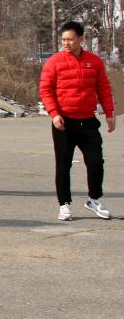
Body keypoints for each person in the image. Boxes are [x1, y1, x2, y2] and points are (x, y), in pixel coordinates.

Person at [39, 21, 116, 221]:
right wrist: (54, 113)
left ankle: (94, 199)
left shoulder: (94, 61)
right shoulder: (54, 62)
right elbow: (45, 90)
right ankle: (64, 204)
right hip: (64, 122)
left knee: (96, 161)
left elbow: (103, 88)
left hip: (88, 120)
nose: (66, 43)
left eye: (70, 39)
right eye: (63, 39)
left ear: (81, 39)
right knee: (63, 164)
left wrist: (109, 113)